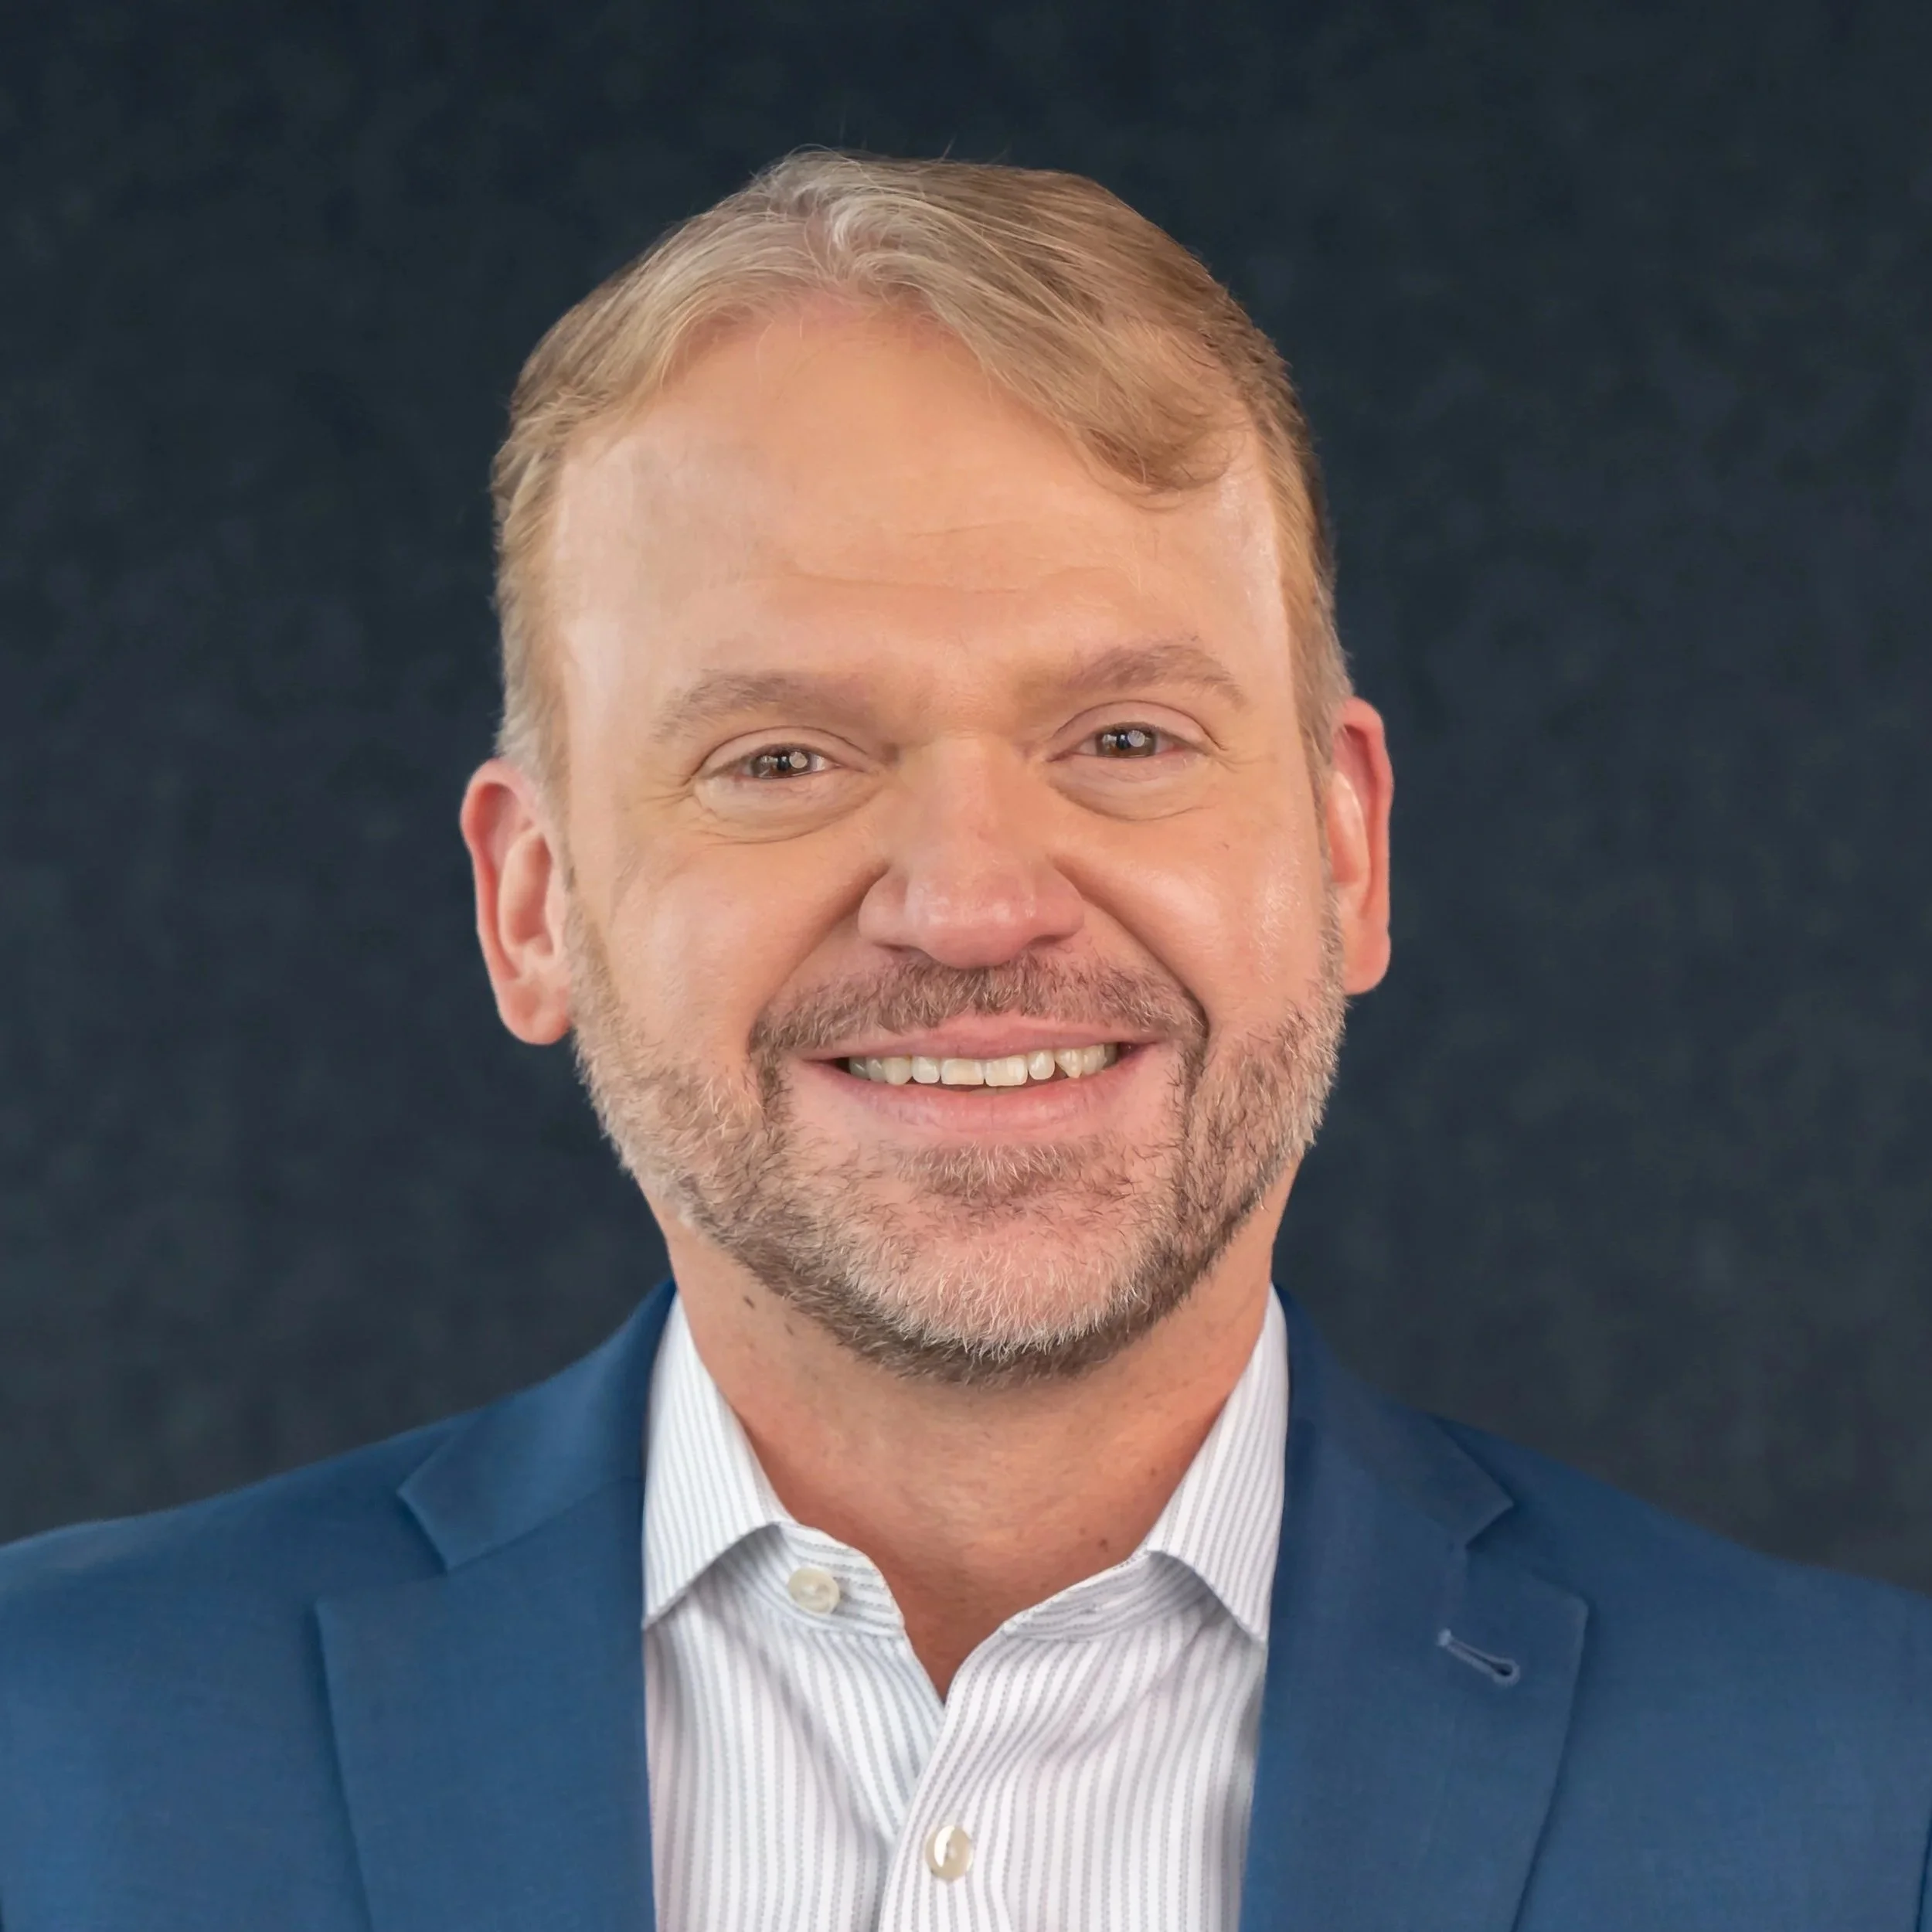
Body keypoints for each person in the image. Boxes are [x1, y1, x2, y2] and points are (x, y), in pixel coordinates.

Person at [1, 150, 1928, 1932]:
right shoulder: (49, 1748)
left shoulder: (1863, 1790)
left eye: (1123, 739)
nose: (975, 899)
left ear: (1347, 845)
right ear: (532, 902)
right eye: (780, 758)